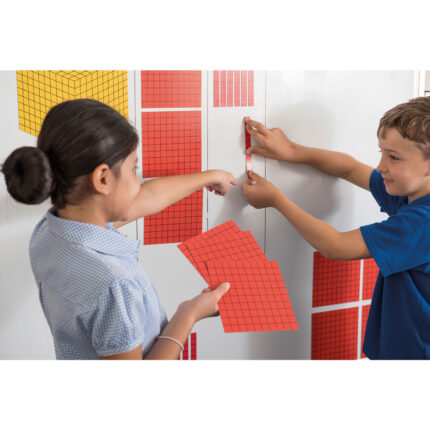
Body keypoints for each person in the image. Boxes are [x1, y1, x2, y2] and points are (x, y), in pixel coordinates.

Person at [1, 99, 237, 360]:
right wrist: (189, 314)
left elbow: (148, 197)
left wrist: (210, 176)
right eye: (134, 169)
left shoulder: (47, 233)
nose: (138, 181)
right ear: (102, 178)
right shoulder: (115, 286)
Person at [242, 96, 430, 359]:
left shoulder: (422, 221)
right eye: (382, 153)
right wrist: (291, 150)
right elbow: (350, 168)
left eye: (394, 158)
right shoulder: (411, 194)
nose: (381, 167)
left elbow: (336, 245)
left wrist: (276, 200)